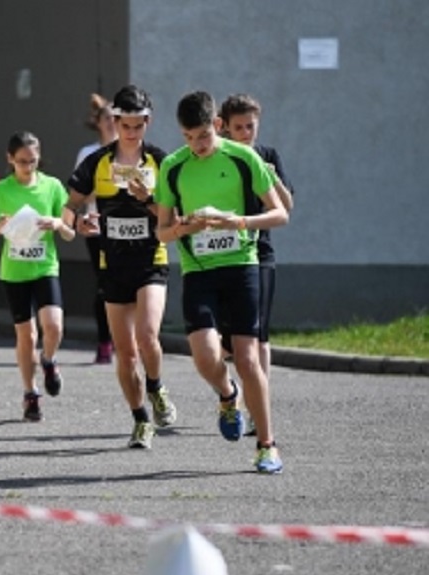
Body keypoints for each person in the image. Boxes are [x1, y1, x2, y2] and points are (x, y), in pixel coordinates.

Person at [154, 90, 289, 474]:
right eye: (188, 137)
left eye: (203, 136)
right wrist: (184, 226)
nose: (197, 145)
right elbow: (162, 232)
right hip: (198, 269)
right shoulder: (173, 168)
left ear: (217, 125)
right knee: (205, 357)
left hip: (241, 265)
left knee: (248, 358)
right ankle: (228, 396)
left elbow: (281, 214)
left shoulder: (244, 157)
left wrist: (238, 222)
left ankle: (267, 446)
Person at [65, 85, 177, 450]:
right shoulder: (95, 162)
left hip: (151, 260)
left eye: (138, 126)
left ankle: (157, 388)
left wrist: (149, 201)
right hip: (112, 263)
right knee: (125, 352)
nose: (131, 132)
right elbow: (71, 206)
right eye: (125, 125)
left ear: (148, 122)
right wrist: (77, 223)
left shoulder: (162, 162)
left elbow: (172, 217)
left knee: (147, 337)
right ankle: (140, 419)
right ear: (115, 121)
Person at [0, 131, 74, 421]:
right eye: (22, 162)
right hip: (14, 273)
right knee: (27, 335)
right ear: (10, 159)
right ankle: (31, 393)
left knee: (53, 327)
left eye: (33, 161)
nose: (28, 167)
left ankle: (49, 360)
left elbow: (70, 232)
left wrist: (57, 223)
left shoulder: (52, 187)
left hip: (45, 268)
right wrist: (0, 227)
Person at [218, 93, 295, 436]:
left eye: (251, 126)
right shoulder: (219, 159)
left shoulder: (267, 156)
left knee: (259, 338)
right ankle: (231, 393)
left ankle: (256, 410)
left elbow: (287, 205)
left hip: (259, 253)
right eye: (239, 127)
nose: (246, 133)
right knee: (226, 343)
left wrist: (271, 177)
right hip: (220, 256)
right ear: (226, 128)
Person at [74, 94, 118, 365]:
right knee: (105, 285)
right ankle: (104, 342)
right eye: (108, 118)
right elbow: (79, 193)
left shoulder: (132, 150)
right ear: (99, 123)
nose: (113, 123)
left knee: (129, 284)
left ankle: (129, 342)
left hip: (128, 230)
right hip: (97, 228)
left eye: (117, 118)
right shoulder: (88, 154)